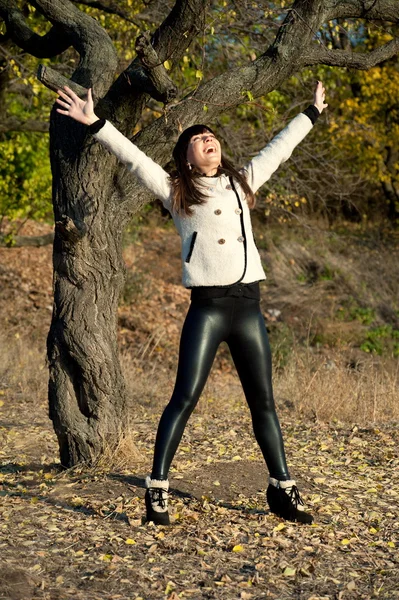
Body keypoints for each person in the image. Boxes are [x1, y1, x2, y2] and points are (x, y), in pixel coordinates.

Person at [56, 80, 328, 526]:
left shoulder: (243, 183)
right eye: (198, 139)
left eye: (212, 136)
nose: (209, 140)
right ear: (186, 156)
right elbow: (133, 157)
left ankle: (282, 488)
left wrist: (311, 113)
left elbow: (280, 148)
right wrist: (95, 123)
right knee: (183, 398)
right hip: (208, 309)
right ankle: (157, 489)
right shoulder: (175, 190)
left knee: (264, 403)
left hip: (248, 307)